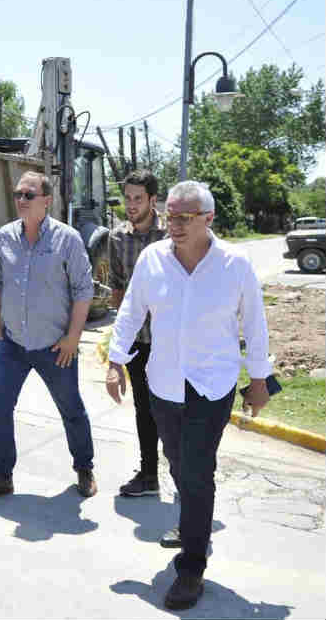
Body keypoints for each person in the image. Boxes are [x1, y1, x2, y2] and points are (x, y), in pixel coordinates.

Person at [106, 180, 271, 611]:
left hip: (211, 386)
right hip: (163, 382)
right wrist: (114, 359)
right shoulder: (152, 260)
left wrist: (259, 380)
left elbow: (254, 323)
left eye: (184, 217)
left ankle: (191, 565)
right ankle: (193, 521)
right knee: (178, 462)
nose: (173, 225)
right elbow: (130, 311)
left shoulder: (234, 264)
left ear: (208, 219)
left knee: (196, 471)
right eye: (170, 217)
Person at [0, 171, 97, 501]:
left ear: (47, 200)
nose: (21, 200)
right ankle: (2, 475)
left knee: (71, 408)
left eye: (28, 194)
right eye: (17, 194)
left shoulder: (67, 239)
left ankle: (84, 468)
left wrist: (72, 338)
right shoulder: (4, 237)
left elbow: (84, 290)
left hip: (56, 346)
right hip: (13, 342)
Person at [108, 170, 167, 500]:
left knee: (177, 407)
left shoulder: (172, 234)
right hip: (138, 340)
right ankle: (148, 474)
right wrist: (118, 338)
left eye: (138, 199)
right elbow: (118, 289)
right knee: (144, 408)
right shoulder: (117, 239)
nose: (131, 205)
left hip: (172, 340)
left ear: (152, 200)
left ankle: (188, 474)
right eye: (128, 198)